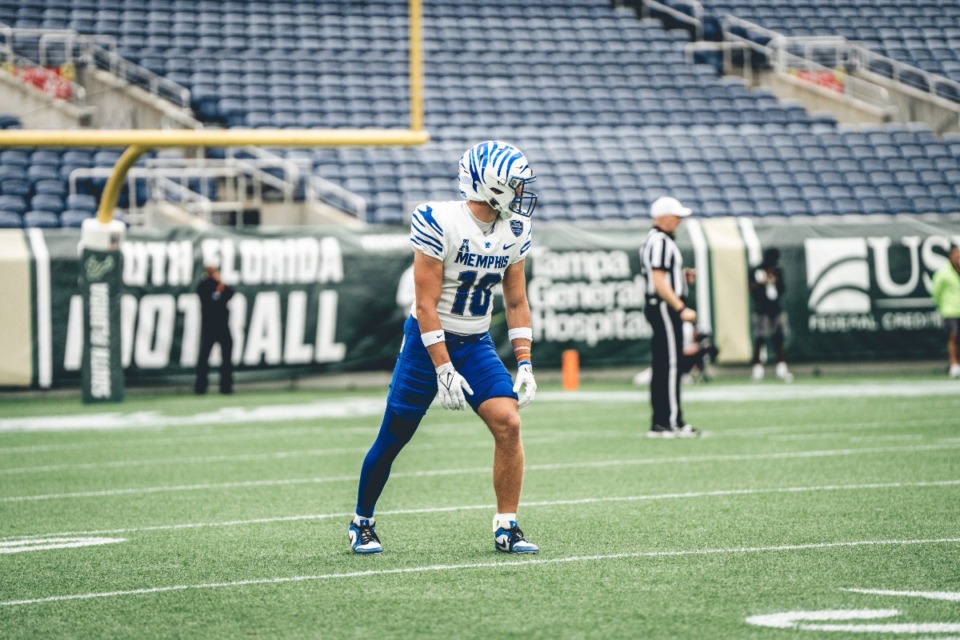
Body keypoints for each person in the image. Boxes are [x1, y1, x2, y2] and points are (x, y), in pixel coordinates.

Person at [348, 141, 540, 555]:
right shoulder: (438, 220)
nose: (522, 192)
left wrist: (524, 362)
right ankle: (362, 520)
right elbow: (424, 304)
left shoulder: (516, 229)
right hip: (426, 342)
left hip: (476, 341)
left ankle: (506, 525)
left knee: (508, 423)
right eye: (516, 184)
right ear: (492, 185)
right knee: (395, 433)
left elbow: (517, 301)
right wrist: (442, 367)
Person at [639, 196, 700, 438]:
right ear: (664, 217)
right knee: (671, 365)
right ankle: (672, 421)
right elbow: (658, 281)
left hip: (660, 306)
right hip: (664, 308)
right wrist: (679, 307)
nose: (679, 222)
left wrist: (681, 279)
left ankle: (661, 421)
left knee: (663, 365)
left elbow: (662, 277)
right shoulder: (660, 241)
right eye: (677, 217)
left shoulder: (655, 241)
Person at [749, 248, 792, 383]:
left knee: (778, 338)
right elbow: (751, 287)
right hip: (761, 309)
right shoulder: (757, 270)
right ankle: (757, 368)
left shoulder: (778, 271)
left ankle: (781, 367)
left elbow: (782, 289)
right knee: (760, 339)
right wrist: (762, 281)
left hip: (775, 309)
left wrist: (774, 280)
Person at [195, 265, 234, 395]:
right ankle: (201, 387)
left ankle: (226, 387)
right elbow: (208, 300)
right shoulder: (204, 286)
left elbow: (230, 293)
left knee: (226, 358)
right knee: (204, 359)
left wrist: (220, 282)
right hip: (209, 328)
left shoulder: (221, 285)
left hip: (223, 327)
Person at [931, 244, 960, 378]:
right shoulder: (943, 273)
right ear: (950, 256)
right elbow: (936, 292)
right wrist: (941, 306)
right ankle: (954, 364)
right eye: (955, 255)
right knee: (953, 336)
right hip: (949, 310)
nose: (958, 257)